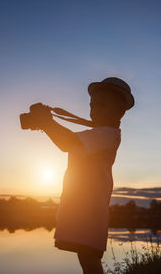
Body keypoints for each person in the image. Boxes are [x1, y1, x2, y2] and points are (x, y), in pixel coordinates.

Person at [28, 77, 135, 274]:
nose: (94, 110)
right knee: (86, 258)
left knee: (89, 259)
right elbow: (69, 140)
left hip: (90, 208)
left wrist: (46, 122)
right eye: (92, 105)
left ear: (120, 111)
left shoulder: (106, 135)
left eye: (102, 105)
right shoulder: (99, 133)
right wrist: (46, 124)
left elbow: (68, 142)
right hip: (84, 205)